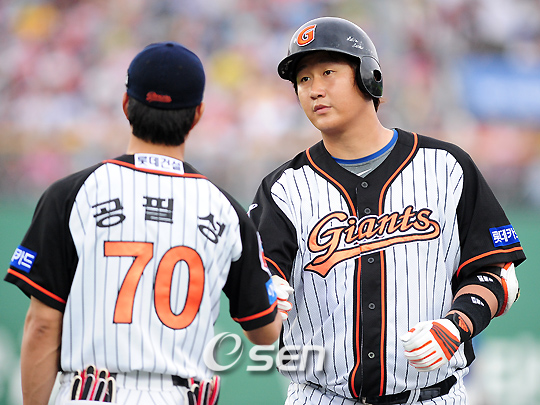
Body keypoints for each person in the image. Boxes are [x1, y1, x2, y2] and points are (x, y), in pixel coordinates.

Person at [248, 17, 526, 405]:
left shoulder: (446, 167)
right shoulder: (283, 188)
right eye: (303, 79)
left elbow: (500, 275)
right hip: (320, 396)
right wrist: (263, 291)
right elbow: (261, 278)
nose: (314, 89)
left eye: (328, 72)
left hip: (432, 397)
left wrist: (455, 327)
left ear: (368, 77)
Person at [5, 41, 285, 405]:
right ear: (197, 114)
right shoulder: (226, 210)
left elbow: (43, 325)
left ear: (126, 105)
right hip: (181, 395)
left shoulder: (71, 194)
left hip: (91, 394)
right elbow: (264, 332)